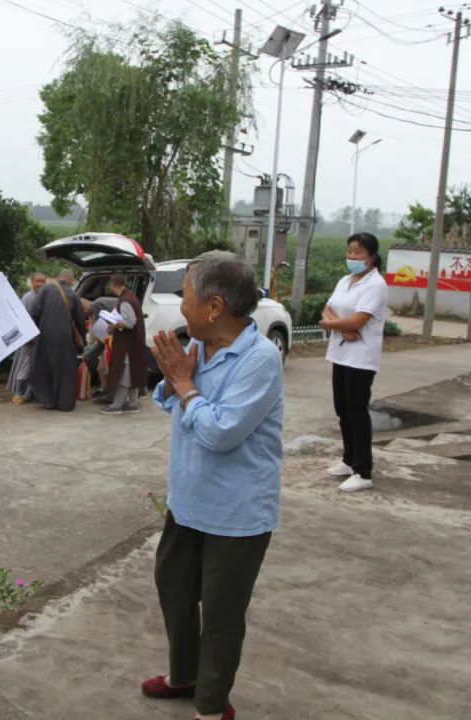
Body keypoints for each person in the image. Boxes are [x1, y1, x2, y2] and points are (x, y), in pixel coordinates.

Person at [144, 251, 283, 720]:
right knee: (174, 587)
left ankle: (210, 704)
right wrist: (175, 381)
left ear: (215, 306)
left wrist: (185, 388)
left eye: (185, 295)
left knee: (221, 614)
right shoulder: (200, 346)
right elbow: (172, 402)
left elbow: (221, 432)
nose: (181, 305)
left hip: (236, 511)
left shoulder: (260, 359)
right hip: (189, 500)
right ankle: (184, 676)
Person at [319, 232, 388, 493]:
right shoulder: (345, 280)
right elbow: (328, 309)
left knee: (357, 412)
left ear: (371, 256)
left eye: (358, 252)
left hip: (361, 357)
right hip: (340, 353)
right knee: (342, 410)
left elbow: (359, 321)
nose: (352, 257)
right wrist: (340, 327)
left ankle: (363, 470)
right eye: (350, 251)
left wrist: (335, 325)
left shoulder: (376, 285)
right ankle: (348, 460)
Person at [28, 268, 86, 411]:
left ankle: (47, 400)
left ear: (59, 278)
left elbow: (34, 312)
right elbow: (80, 321)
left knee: (44, 367)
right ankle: (65, 403)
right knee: (65, 370)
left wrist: (32, 336)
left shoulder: (46, 290)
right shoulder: (73, 295)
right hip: (64, 338)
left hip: (45, 336)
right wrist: (82, 341)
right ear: (71, 281)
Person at [100, 274, 148, 416]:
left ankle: (117, 405)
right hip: (134, 344)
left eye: (110, 285)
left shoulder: (125, 301)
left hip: (128, 345)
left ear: (115, 285)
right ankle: (133, 404)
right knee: (132, 373)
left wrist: (113, 324)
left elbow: (129, 323)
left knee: (124, 374)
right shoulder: (131, 297)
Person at [7, 272, 47, 403]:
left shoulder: (44, 296)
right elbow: (22, 319)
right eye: (37, 281)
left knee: (34, 367)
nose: (40, 284)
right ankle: (18, 394)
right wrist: (28, 338)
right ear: (32, 282)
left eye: (43, 281)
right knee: (24, 366)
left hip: (39, 337)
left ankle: (28, 394)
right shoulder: (28, 298)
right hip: (29, 338)